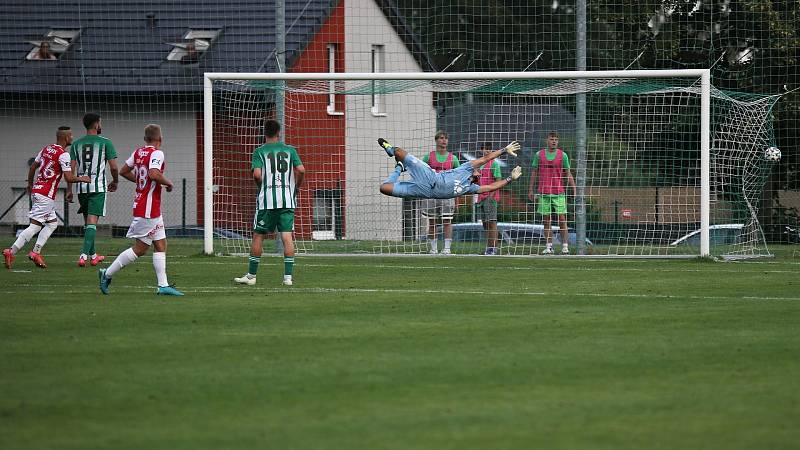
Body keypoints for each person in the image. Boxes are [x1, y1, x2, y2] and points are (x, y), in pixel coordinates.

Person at [99, 124, 183, 296]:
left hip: (148, 206)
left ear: (145, 139)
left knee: (160, 244)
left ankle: (163, 285)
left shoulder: (138, 152)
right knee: (140, 248)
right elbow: (153, 173)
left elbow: (123, 171)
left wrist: (139, 182)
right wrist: (168, 183)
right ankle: (106, 273)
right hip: (148, 208)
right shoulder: (157, 153)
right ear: (160, 139)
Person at [3, 127, 90, 269]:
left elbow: (33, 167)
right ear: (66, 137)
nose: (72, 138)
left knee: (52, 224)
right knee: (35, 226)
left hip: (39, 190)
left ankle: (35, 252)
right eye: (71, 135)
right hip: (45, 195)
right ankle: (11, 251)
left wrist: (30, 185)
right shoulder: (63, 155)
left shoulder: (46, 149)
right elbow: (68, 177)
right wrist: (83, 179)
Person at [234, 120, 305, 287]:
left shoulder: (259, 151)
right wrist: (297, 186)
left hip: (267, 202)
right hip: (287, 199)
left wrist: (262, 187)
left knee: (259, 235)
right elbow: (301, 170)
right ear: (279, 132)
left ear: (264, 133)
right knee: (287, 236)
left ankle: (251, 276)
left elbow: (257, 175)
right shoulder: (290, 150)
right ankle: (288, 278)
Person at [378, 137, 522, 210]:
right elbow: (486, 158)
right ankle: (390, 150)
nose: (480, 174)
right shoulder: (466, 168)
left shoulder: (470, 188)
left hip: (422, 191)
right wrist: (504, 150)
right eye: (479, 172)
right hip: (429, 176)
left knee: (384, 188)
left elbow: (491, 187)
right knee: (398, 152)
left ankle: (399, 167)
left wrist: (510, 178)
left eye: (480, 176)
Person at [70, 112, 119, 267]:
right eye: (100, 122)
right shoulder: (106, 142)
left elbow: (70, 170)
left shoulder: (76, 144)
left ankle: (94, 255)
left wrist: (69, 189)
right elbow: (114, 167)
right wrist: (115, 181)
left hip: (81, 187)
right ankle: (83, 255)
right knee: (92, 222)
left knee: (87, 224)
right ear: (97, 124)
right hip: (97, 187)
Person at [527, 131, 577, 255]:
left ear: (558, 141)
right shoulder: (539, 155)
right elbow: (534, 172)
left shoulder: (563, 155)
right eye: (551, 139)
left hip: (558, 192)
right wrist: (530, 190)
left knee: (562, 218)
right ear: (547, 140)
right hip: (543, 192)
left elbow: (568, 173)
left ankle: (565, 247)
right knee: (546, 220)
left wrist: (574, 188)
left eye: (556, 139)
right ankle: (549, 247)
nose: (554, 141)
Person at [421, 131, 459, 254]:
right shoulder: (428, 157)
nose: (444, 140)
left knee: (447, 221)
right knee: (432, 221)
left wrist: (457, 197)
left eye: (446, 138)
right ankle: (433, 248)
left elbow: (458, 178)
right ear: (436, 140)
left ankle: (447, 248)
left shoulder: (453, 158)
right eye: (441, 138)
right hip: (432, 194)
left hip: (447, 194)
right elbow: (423, 175)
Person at [475, 143, 504, 255]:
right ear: (482, 150)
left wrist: (492, 195)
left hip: (490, 197)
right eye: (485, 149)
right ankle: (489, 247)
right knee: (485, 224)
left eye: (489, 149)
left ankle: (493, 248)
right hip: (481, 197)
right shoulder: (480, 165)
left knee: (492, 223)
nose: (487, 151)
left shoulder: (494, 164)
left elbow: (498, 180)